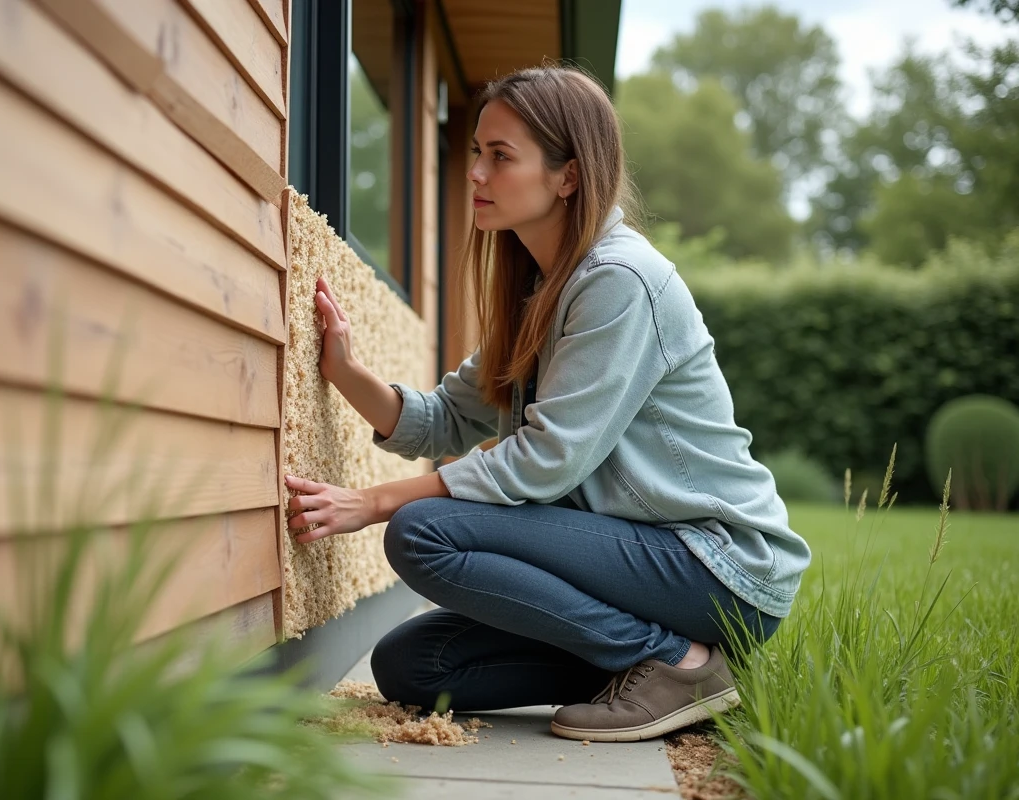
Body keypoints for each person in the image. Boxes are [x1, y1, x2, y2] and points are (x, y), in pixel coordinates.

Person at [283, 64, 811, 742]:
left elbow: (546, 460)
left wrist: (375, 501)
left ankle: (679, 662)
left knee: (421, 532)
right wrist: (346, 371)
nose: (475, 172)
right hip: (639, 563)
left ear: (568, 176)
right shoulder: (538, 290)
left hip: (714, 563)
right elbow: (444, 419)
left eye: (500, 156)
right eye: (477, 152)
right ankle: (659, 668)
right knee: (414, 664)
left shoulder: (619, 281)